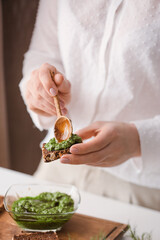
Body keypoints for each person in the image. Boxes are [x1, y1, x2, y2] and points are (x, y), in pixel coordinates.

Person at [19, 0, 160, 211]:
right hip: (58, 168)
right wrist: (39, 91)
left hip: (143, 185)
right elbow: (42, 53)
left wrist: (138, 140)